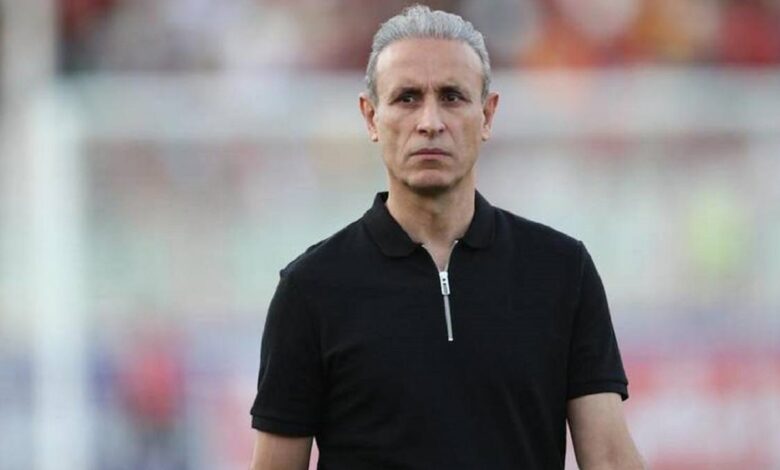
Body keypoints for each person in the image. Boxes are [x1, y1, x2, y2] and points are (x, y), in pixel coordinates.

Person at [249, 4, 645, 469]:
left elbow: (610, 459)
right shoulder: (311, 290)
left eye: (452, 97)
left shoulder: (561, 271)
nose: (430, 122)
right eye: (407, 98)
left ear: (487, 114)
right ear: (371, 117)